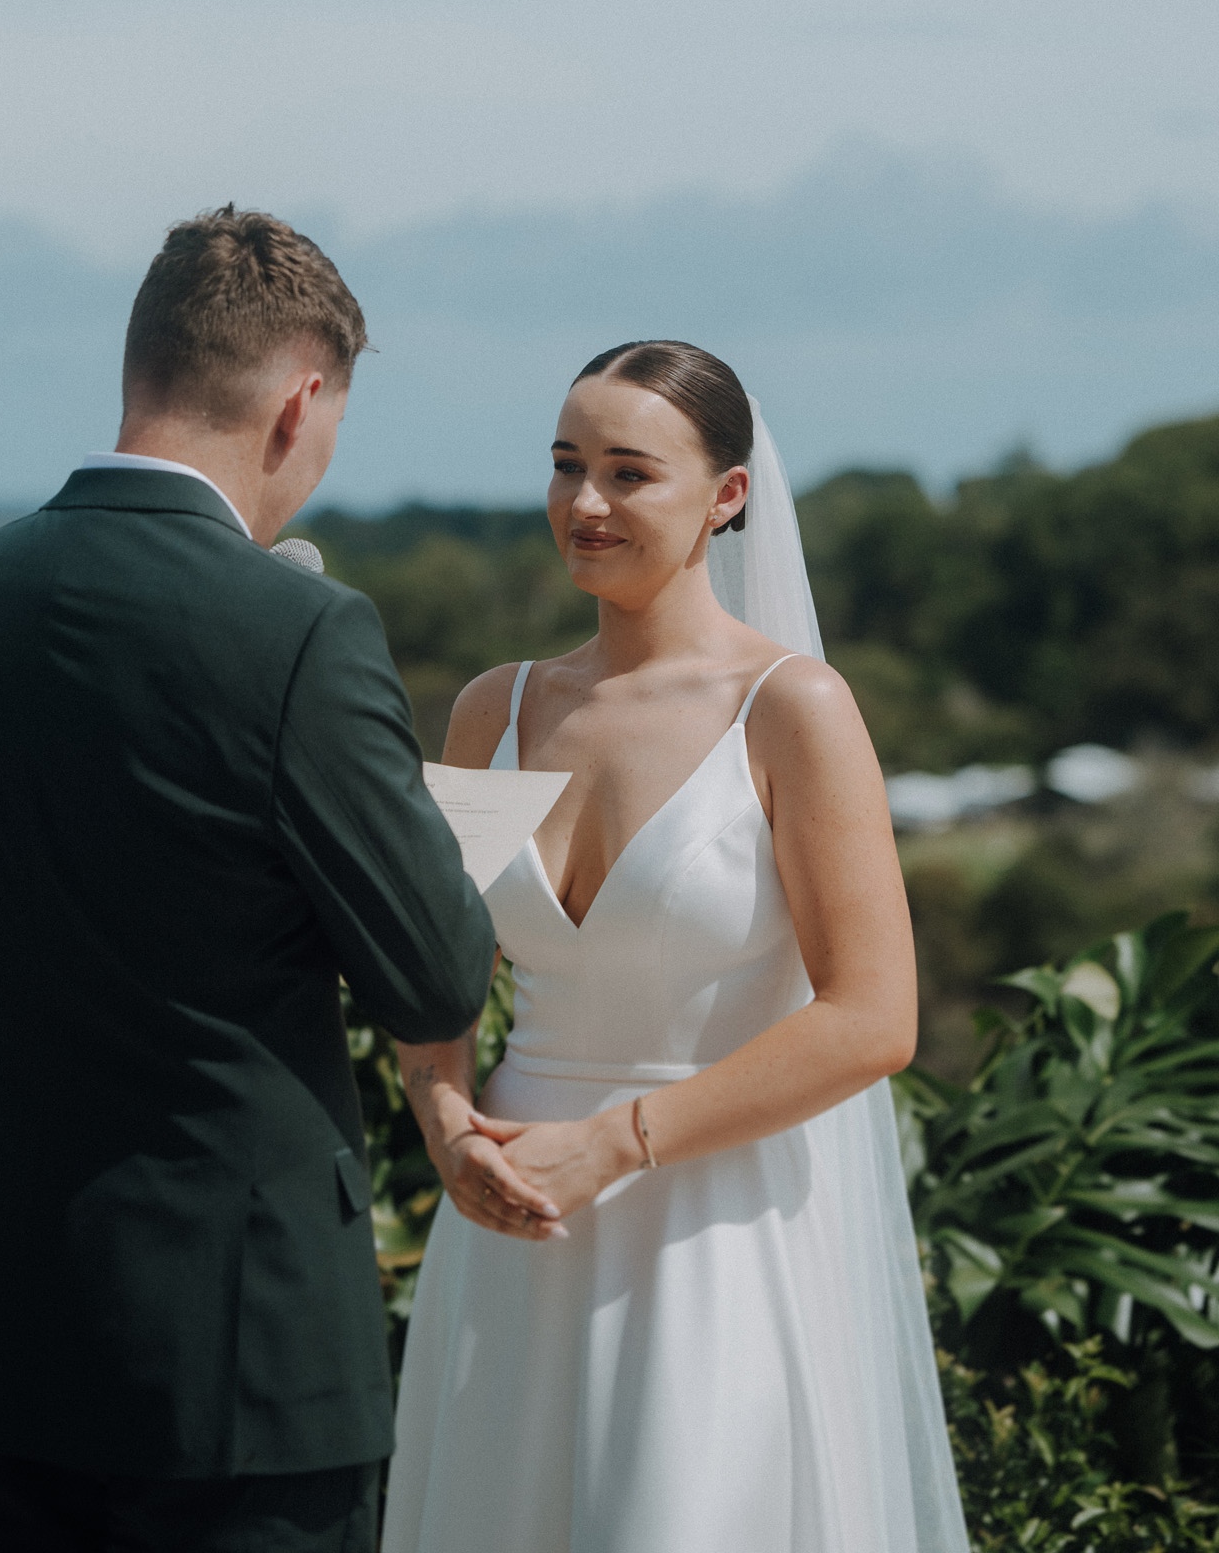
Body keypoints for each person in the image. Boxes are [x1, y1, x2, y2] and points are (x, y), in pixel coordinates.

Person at [0, 206, 497, 1553]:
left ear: (140, 368)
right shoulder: (302, 632)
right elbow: (434, 970)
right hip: (239, 1368)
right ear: (301, 402)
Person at [382, 340, 969, 1553]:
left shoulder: (793, 710)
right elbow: (438, 963)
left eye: (627, 473)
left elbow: (874, 1019)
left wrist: (615, 1144)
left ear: (728, 495)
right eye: (564, 466)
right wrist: (443, 1116)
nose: (583, 504)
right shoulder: (492, 710)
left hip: (715, 1227)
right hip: (507, 1222)